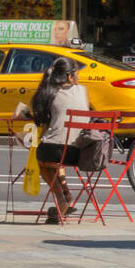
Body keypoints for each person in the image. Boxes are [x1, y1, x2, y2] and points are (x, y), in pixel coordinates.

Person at [13, 57, 90, 223]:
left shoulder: (49, 93)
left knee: (43, 159)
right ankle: (67, 199)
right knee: (54, 159)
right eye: (77, 73)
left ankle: (62, 198)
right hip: (81, 152)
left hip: (55, 151)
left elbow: (41, 122)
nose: (79, 77)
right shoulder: (83, 90)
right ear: (69, 77)